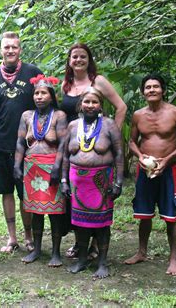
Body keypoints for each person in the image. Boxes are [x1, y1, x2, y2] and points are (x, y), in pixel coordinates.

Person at [61, 43, 127, 260]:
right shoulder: (66, 84)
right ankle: (81, 244)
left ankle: (96, 247)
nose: (78, 60)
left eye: (83, 56)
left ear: (89, 59)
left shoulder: (97, 81)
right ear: (69, 60)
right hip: (74, 145)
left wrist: (111, 135)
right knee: (75, 203)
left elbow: (121, 106)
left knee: (98, 202)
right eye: (74, 57)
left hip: (97, 142)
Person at [124, 74, 176, 276]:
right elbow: (132, 141)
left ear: (162, 90)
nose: (151, 90)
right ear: (143, 92)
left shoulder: (175, 113)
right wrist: (140, 156)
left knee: (171, 216)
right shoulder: (138, 115)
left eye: (156, 87)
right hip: (145, 170)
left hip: (168, 170)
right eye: (148, 87)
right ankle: (141, 252)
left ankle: (173, 260)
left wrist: (167, 159)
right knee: (144, 214)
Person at [0, 31, 43, 253]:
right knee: (6, 192)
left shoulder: (33, 72)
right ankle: (12, 238)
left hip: (28, 146)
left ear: (20, 50)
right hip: (0, 144)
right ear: (0, 50)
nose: (10, 50)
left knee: (26, 193)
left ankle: (29, 236)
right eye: (6, 47)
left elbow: (45, 102)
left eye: (14, 47)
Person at [61, 87, 124, 278]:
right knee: (79, 223)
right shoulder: (73, 126)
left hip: (101, 182)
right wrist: (63, 180)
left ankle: (102, 262)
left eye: (94, 102)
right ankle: (82, 259)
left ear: (100, 105)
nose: (90, 105)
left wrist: (118, 183)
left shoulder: (109, 125)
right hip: (78, 183)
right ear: (80, 105)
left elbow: (120, 154)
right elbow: (64, 155)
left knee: (102, 223)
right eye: (86, 102)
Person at [13, 75, 67, 266]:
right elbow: (20, 143)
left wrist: (57, 169)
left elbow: (62, 145)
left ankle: (55, 253)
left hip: (52, 167)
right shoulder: (26, 116)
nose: (39, 96)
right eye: (36, 93)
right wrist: (16, 166)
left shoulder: (59, 116)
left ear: (51, 96)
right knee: (36, 212)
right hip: (31, 169)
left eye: (43, 93)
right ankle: (36, 249)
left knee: (54, 212)